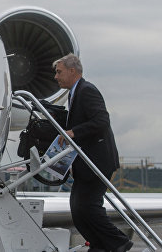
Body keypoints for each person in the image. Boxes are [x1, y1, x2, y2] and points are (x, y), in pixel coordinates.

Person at [53, 54, 132, 252]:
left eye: (59, 72)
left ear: (73, 71)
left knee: (89, 207)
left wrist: (74, 132)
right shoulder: (74, 93)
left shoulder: (87, 91)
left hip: (97, 162)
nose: (56, 77)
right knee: (78, 210)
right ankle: (99, 245)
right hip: (85, 164)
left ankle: (118, 242)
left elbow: (102, 121)